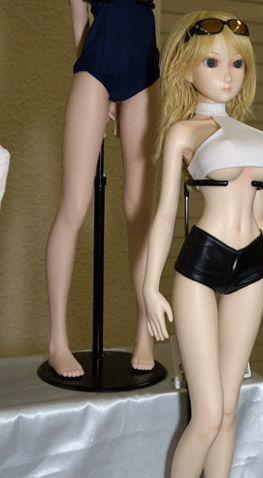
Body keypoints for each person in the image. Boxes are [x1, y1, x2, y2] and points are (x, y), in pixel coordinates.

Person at [143, 10, 263, 478]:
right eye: (212, 62)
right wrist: (149, 286)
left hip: (251, 268)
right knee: (206, 415)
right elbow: (162, 215)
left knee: (229, 412)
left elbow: (259, 216)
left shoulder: (254, 138)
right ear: (187, 69)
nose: (227, 74)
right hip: (201, 266)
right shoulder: (184, 134)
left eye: (236, 63)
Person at [46, 0, 159, 377]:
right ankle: (57, 341)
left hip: (144, 70)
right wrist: (100, 86)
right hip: (95, 67)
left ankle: (145, 332)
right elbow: (80, 22)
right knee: (74, 205)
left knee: (140, 210)